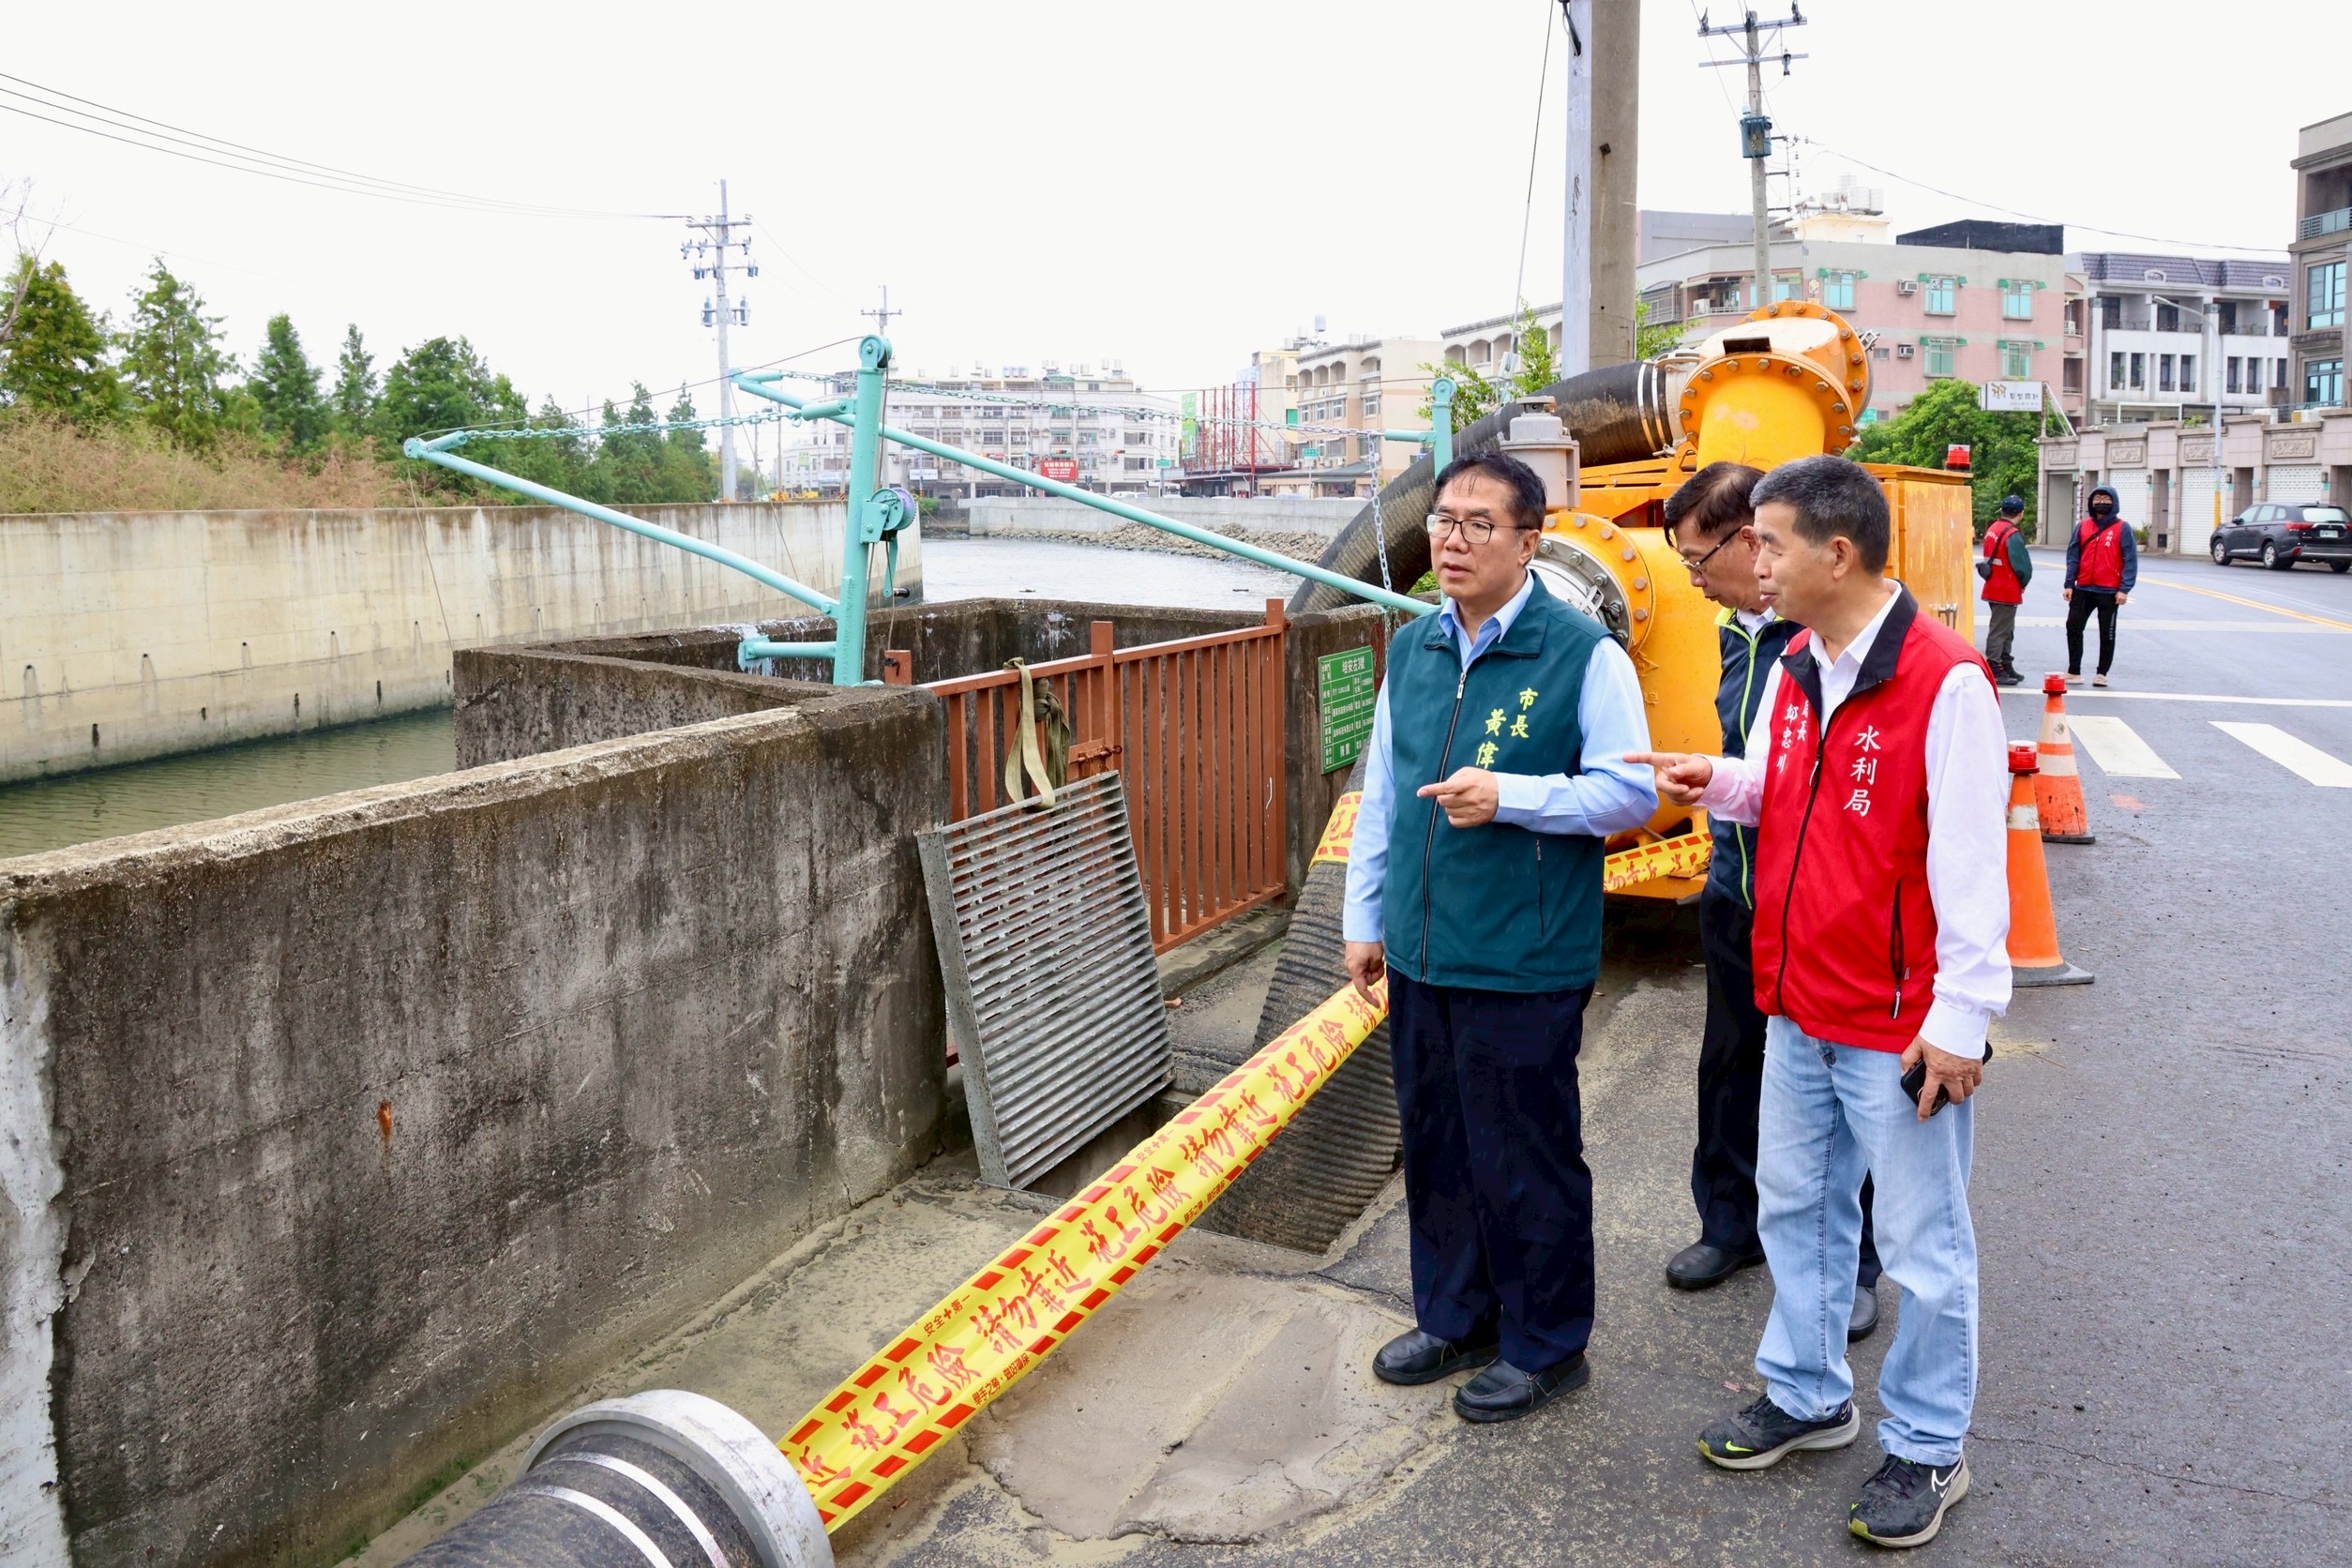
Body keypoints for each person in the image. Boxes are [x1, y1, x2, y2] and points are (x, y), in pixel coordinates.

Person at [1630, 454, 2011, 1550]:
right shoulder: (1797, 661)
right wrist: (1723, 781)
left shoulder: (1945, 684)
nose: (1752, 559)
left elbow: (1975, 869)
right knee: (1796, 1206)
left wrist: (1961, 1019)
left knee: (1922, 1243)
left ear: (1835, 554)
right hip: (1795, 999)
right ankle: (1806, 1392)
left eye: (1768, 541)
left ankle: (1930, 1447)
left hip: (1899, 1028)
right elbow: (1782, 788)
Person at [1342, 450, 1656, 1424]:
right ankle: (1456, 1315)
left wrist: (1513, 796)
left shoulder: (1583, 654)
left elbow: (1632, 790)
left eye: (1480, 523)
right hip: (1425, 950)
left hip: (1523, 957)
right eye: (1443, 519)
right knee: (1438, 1148)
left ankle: (1548, 1343)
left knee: (1526, 1158)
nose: (1453, 538)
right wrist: (1366, 918)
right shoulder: (1415, 649)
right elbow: (1383, 796)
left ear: (1530, 540)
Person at [1659, 462, 1883, 1344]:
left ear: (1753, 541)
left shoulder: (1819, 640)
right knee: (1730, 1065)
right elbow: (1757, 773)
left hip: (1820, 914)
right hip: (1737, 894)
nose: (1692, 577)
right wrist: (1713, 789)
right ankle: (1731, 1227)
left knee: (1841, 1093)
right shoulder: (1735, 635)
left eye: (1696, 557)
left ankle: (1857, 1263)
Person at [2063, 485, 2135, 687]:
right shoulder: (2083, 526)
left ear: (2114, 502)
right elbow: (2073, 556)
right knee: (2073, 627)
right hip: (2083, 588)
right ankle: (2074, 671)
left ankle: (2101, 673)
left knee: (2107, 632)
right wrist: (2069, 583)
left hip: (2109, 591)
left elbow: (2130, 560)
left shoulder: (2123, 528)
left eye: (2106, 498)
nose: (2101, 502)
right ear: (2091, 503)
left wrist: (2124, 589)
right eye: (2098, 499)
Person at [1977, 495, 2033, 687]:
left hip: (1993, 584)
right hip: (2007, 588)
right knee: (2000, 630)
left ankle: (2006, 664)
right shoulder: (2012, 534)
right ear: (2021, 513)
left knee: (2005, 629)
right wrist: (2023, 581)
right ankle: (1995, 666)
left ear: (2001, 511)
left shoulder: (1993, 529)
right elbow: (2022, 566)